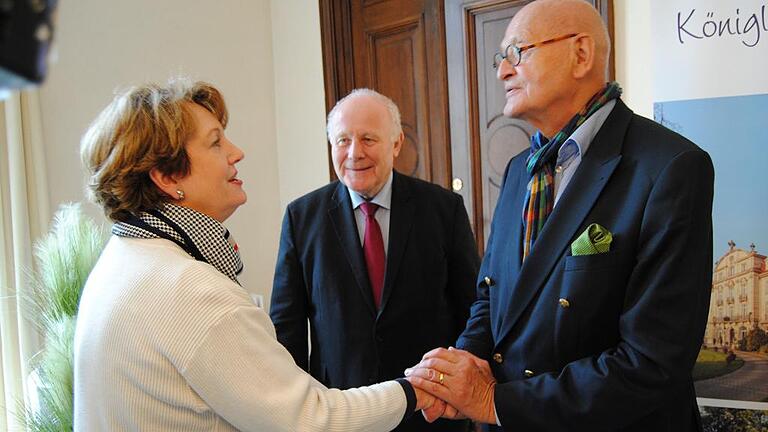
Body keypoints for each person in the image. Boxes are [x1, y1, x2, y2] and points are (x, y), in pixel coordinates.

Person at [405, 0, 715, 430]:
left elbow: (652, 361)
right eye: (500, 59)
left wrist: (495, 402)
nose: (501, 72)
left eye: (517, 53)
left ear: (581, 54)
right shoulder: (520, 169)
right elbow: (493, 297)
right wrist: (464, 367)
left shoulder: (670, 167)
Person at [73, 78, 443, 431]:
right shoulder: (188, 289)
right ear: (167, 177)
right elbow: (312, 420)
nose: (237, 152)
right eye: (216, 142)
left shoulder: (122, 260)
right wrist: (418, 390)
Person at [270, 88, 478, 431]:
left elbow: (471, 308)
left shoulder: (443, 209)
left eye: (368, 139)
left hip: (430, 410)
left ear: (396, 144)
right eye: (342, 140)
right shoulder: (302, 217)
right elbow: (287, 328)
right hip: (342, 412)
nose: (354, 153)